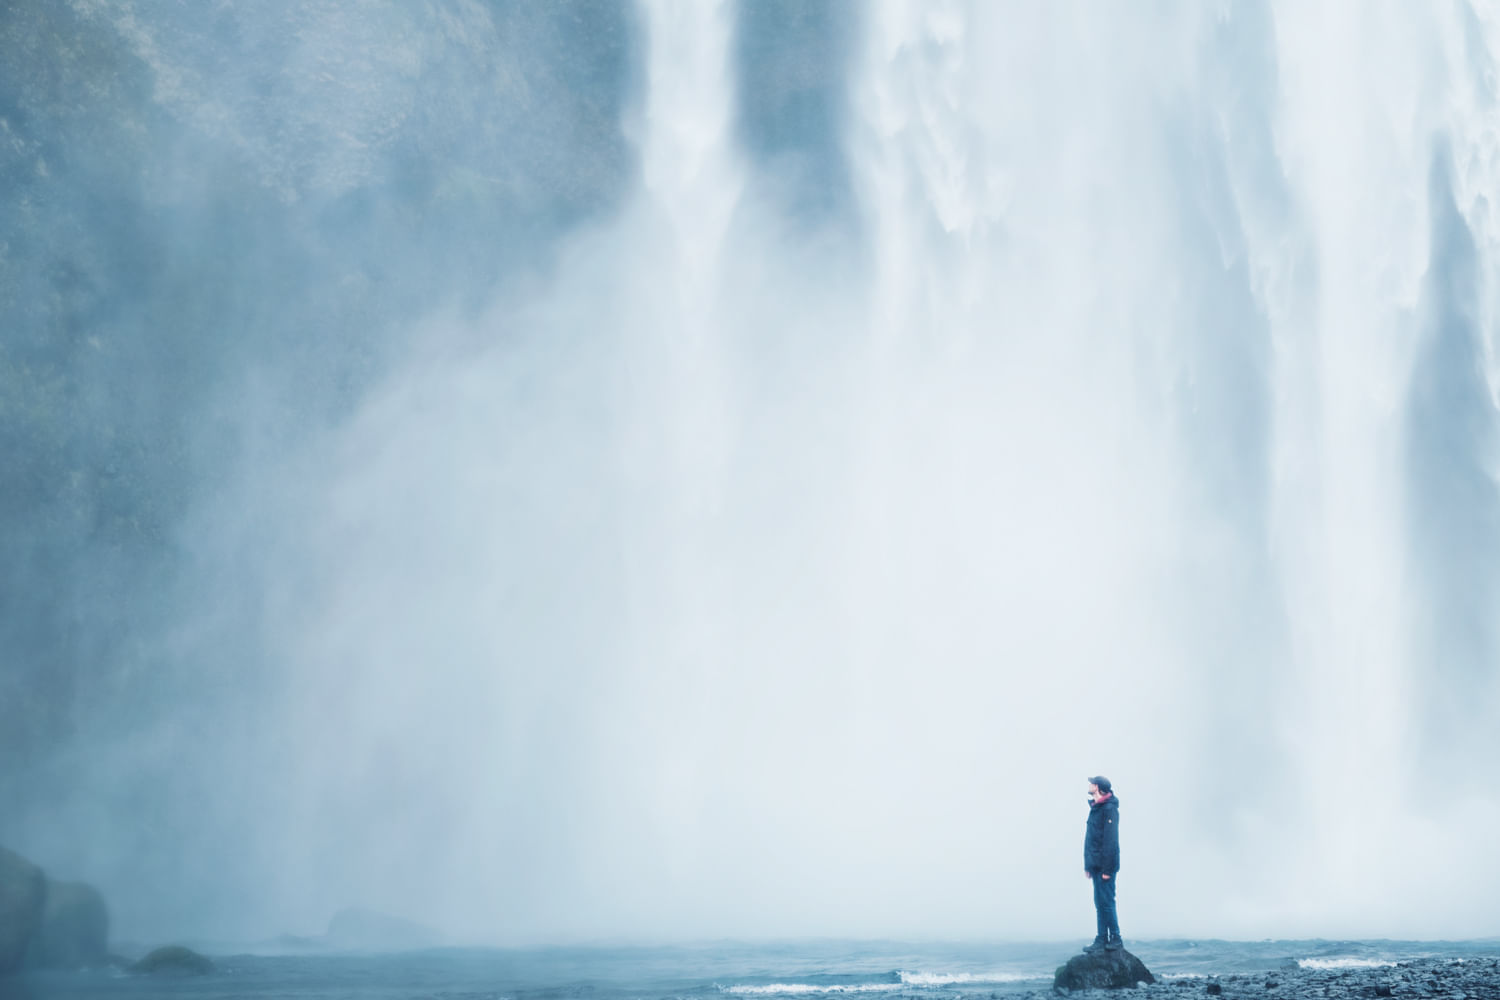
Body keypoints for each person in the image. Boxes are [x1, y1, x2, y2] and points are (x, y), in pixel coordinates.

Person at [1082, 775, 1121, 953]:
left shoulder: (1109, 809)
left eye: (1092, 783)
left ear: (1097, 787)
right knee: (1099, 902)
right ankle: (1101, 939)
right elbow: (1091, 840)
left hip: (1106, 866)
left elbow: (1110, 841)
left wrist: (1107, 869)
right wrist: (1088, 866)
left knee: (1107, 902)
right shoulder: (1096, 808)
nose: (1089, 785)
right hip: (1096, 865)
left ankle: (1115, 938)